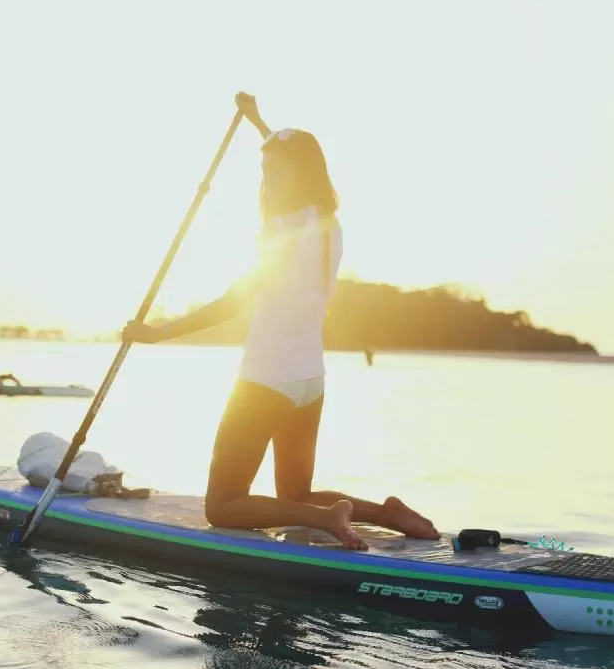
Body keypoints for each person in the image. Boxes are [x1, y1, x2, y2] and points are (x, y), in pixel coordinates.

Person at [122, 92, 439, 550]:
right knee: (296, 493)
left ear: (297, 174)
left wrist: (155, 334)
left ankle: (328, 518)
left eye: (274, 172)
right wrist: (256, 121)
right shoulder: (329, 222)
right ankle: (384, 513)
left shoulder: (280, 232)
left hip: (265, 380)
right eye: (264, 171)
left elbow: (232, 304)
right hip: (310, 379)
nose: (266, 180)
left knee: (224, 506)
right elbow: (287, 148)